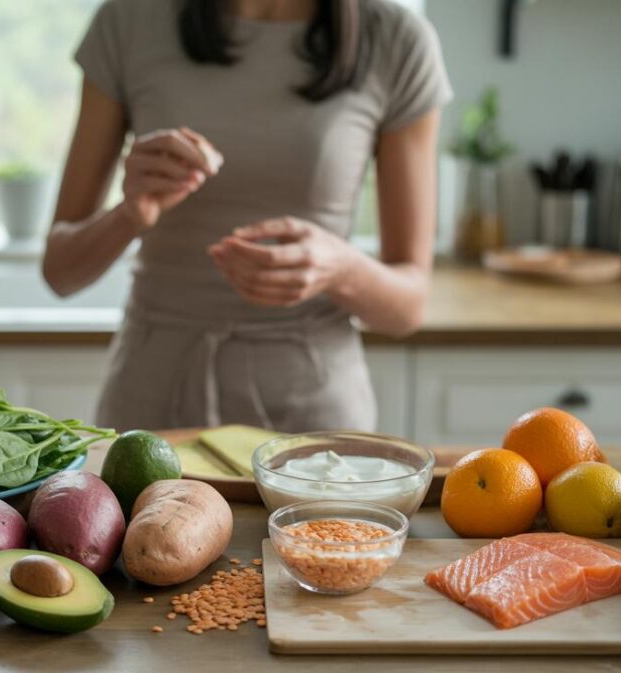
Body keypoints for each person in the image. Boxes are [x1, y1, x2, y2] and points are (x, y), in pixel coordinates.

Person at [42, 0, 451, 432]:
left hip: (314, 419)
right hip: (152, 408)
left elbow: (409, 306)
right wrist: (129, 213)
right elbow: (60, 272)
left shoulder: (397, 40)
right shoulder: (128, 21)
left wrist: (341, 267)